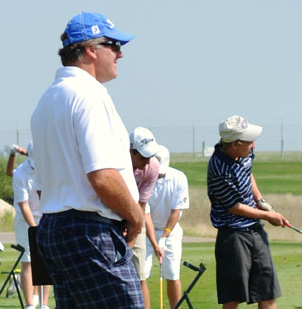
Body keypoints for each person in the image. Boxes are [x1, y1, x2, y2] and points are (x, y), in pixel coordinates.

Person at [30, 12, 144, 308]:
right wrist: (135, 217)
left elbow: (42, 188)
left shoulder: (45, 101)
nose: (120, 53)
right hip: (90, 230)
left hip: (54, 230)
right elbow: (103, 177)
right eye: (114, 44)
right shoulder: (90, 94)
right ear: (91, 50)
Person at [207, 115, 288, 309]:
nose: (254, 146)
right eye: (250, 142)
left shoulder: (244, 154)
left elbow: (248, 172)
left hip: (255, 230)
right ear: (235, 144)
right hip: (232, 235)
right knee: (232, 298)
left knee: (267, 293)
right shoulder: (218, 167)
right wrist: (269, 216)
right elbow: (234, 207)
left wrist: (260, 200)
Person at [145, 145, 189, 308]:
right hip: (146, 231)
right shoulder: (144, 177)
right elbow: (145, 213)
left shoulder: (179, 178)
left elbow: (175, 212)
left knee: (172, 273)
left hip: (171, 232)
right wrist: (155, 242)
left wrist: (163, 237)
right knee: (142, 274)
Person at [11, 141, 51, 309]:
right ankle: (29, 305)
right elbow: (24, 205)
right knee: (28, 259)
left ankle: (43, 303)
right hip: (25, 221)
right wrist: (34, 228)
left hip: (45, 217)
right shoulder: (20, 174)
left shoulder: (50, 169)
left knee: (46, 260)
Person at [129, 126, 161, 309]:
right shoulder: (117, 162)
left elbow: (141, 204)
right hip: (109, 217)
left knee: (140, 276)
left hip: (135, 215)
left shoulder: (153, 166)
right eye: (143, 157)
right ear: (131, 152)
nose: (148, 161)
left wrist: (133, 235)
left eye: (150, 156)